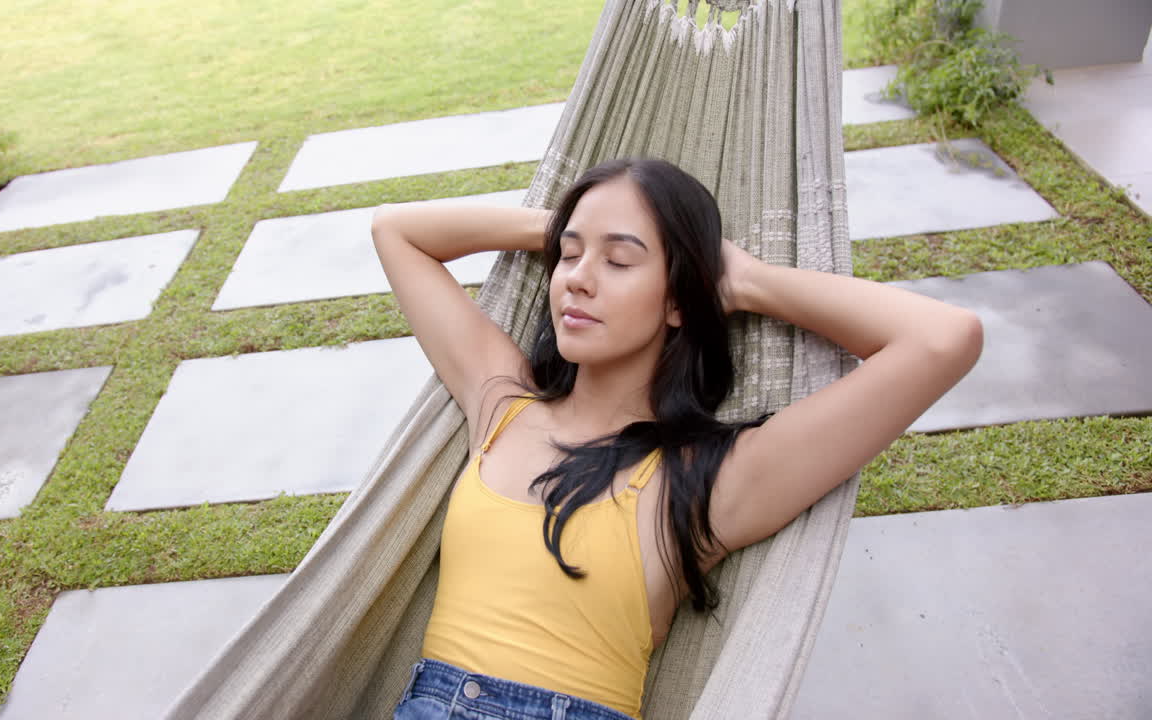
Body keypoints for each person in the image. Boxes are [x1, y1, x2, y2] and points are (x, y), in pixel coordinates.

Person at [371, 158, 982, 720]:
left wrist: (747, 282)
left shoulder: (707, 481)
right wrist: (571, 229)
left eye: (620, 262)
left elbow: (942, 339)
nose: (578, 281)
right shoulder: (502, 404)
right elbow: (396, 231)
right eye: (568, 256)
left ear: (678, 300)